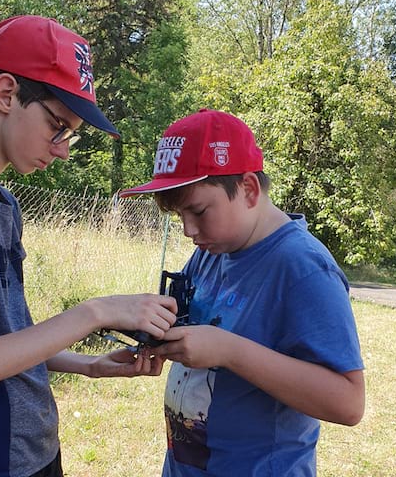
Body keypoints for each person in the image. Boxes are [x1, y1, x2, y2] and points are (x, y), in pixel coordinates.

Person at [0, 15, 176, 477]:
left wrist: (86, 365)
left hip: (30, 447)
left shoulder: (2, 203)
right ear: (5, 94)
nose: (63, 148)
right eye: (57, 125)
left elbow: (6, 339)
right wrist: (96, 311)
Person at [119, 108, 365, 476]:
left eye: (199, 211)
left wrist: (229, 351)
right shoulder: (212, 250)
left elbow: (348, 403)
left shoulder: (303, 268)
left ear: (248, 189)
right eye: (179, 216)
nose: (188, 231)